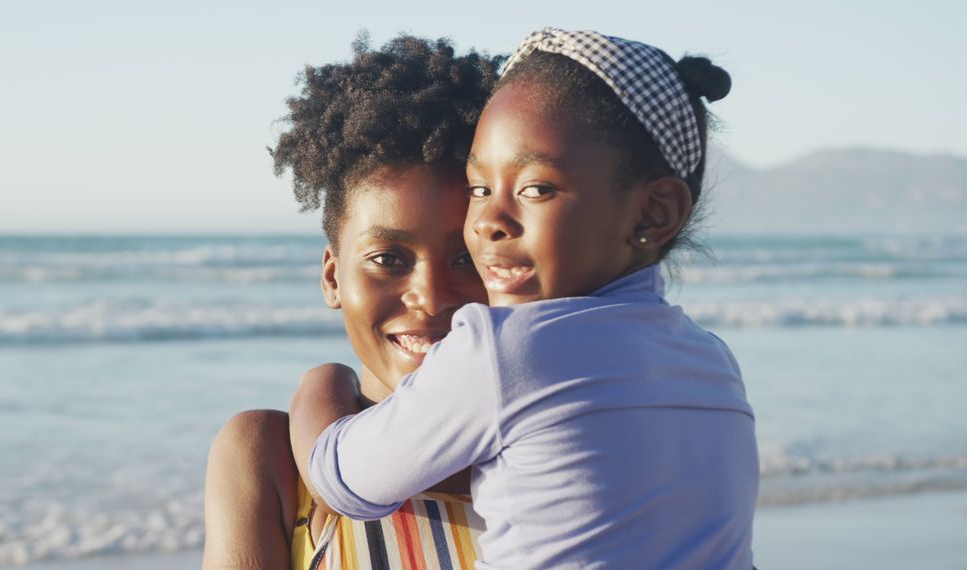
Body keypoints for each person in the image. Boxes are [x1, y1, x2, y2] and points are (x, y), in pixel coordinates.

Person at [293, 28, 759, 568]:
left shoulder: (502, 353)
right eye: (479, 189)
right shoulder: (713, 362)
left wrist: (321, 384)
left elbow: (341, 480)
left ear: (654, 212)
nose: (488, 221)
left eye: (535, 188)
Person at [201, 35, 501, 569]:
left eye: (467, 259)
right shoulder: (270, 460)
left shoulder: (561, 448)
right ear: (333, 277)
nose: (431, 298)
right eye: (388, 258)